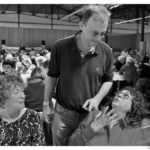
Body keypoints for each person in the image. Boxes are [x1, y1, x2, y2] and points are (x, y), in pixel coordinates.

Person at [43, 5, 114, 145]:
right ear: (82, 25)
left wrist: (97, 99)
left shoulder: (106, 51)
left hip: (89, 115)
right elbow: (52, 76)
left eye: (102, 33)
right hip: (63, 113)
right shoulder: (61, 47)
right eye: (94, 33)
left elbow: (108, 80)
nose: (98, 38)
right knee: (60, 145)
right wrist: (46, 103)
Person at [68, 87, 150, 146]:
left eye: (125, 96)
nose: (119, 95)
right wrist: (91, 129)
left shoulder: (136, 131)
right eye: (119, 93)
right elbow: (71, 144)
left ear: (133, 107)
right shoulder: (94, 115)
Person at [0, 74, 45, 146]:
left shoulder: (32, 116)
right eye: (16, 92)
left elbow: (39, 144)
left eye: (22, 91)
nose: (23, 96)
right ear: (3, 98)